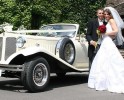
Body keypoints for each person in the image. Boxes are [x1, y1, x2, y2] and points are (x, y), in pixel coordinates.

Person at [88, 7, 124, 93]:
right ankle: (104, 82)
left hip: (108, 43)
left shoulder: (111, 21)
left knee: (110, 61)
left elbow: (116, 31)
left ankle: (108, 82)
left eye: (108, 14)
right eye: (105, 14)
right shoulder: (107, 22)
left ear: (111, 15)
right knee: (103, 61)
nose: (106, 15)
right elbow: (113, 35)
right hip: (105, 42)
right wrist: (103, 34)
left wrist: (105, 33)